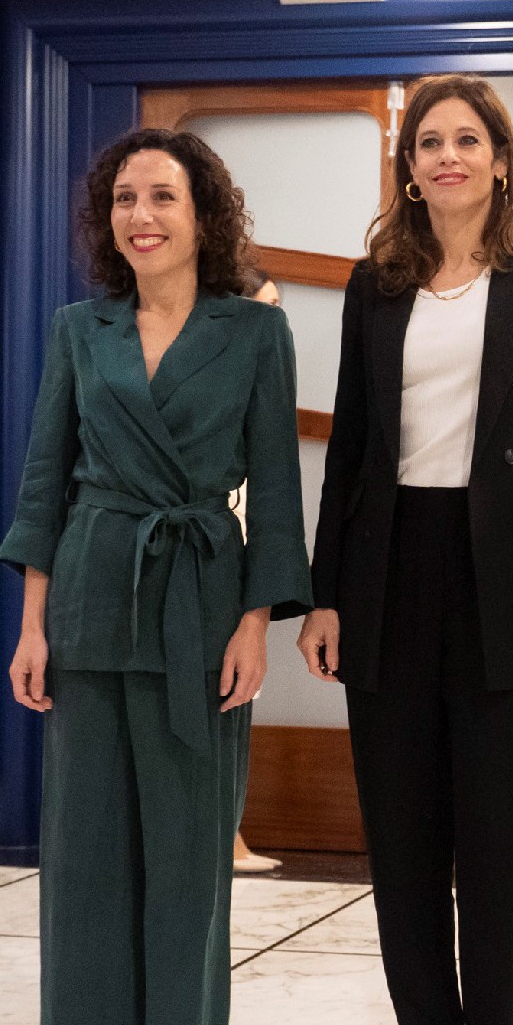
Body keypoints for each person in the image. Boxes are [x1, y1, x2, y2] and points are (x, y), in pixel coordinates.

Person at [298, 74, 513, 1025]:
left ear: (499, 159)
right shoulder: (372, 283)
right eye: (428, 142)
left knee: (500, 835)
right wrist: (324, 589)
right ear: (409, 166)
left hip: (507, 578)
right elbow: (353, 450)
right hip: (388, 573)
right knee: (405, 831)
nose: (446, 156)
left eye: (466, 139)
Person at [0, 128, 310, 1025]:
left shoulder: (255, 331)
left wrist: (256, 624)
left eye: (163, 197)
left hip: (202, 599)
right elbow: (46, 480)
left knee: (186, 852)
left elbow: (274, 483)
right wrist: (33, 624)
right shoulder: (78, 330)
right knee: (88, 852)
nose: (141, 215)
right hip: (91, 591)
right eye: (125, 198)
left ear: (203, 215)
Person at [231, 262, 284, 875]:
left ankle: (232, 833)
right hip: (213, 536)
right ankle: (228, 836)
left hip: (244, 545)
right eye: (265, 304)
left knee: (242, 694)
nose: (275, 318)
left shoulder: (265, 376)